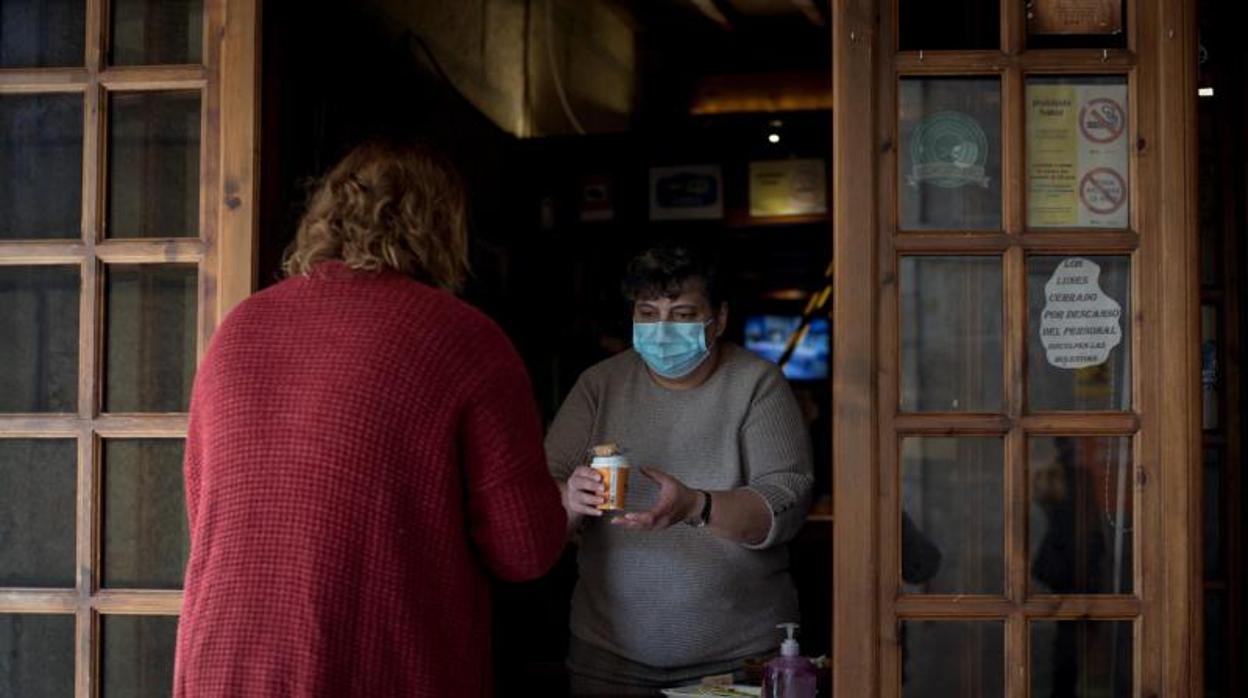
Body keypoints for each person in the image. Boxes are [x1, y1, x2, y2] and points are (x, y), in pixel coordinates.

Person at [173, 140, 566, 697]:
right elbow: (523, 550)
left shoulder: (238, 328)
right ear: (442, 227)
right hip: (376, 662)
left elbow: (204, 507)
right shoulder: (464, 339)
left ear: (324, 216)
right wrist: (564, 506)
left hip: (225, 662)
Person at [546, 241, 815, 694]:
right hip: (608, 659)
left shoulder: (757, 384)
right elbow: (537, 499)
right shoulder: (598, 385)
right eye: (648, 314)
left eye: (683, 314)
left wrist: (696, 506)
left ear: (719, 319)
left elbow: (786, 502)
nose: (663, 328)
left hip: (734, 662)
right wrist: (569, 499)